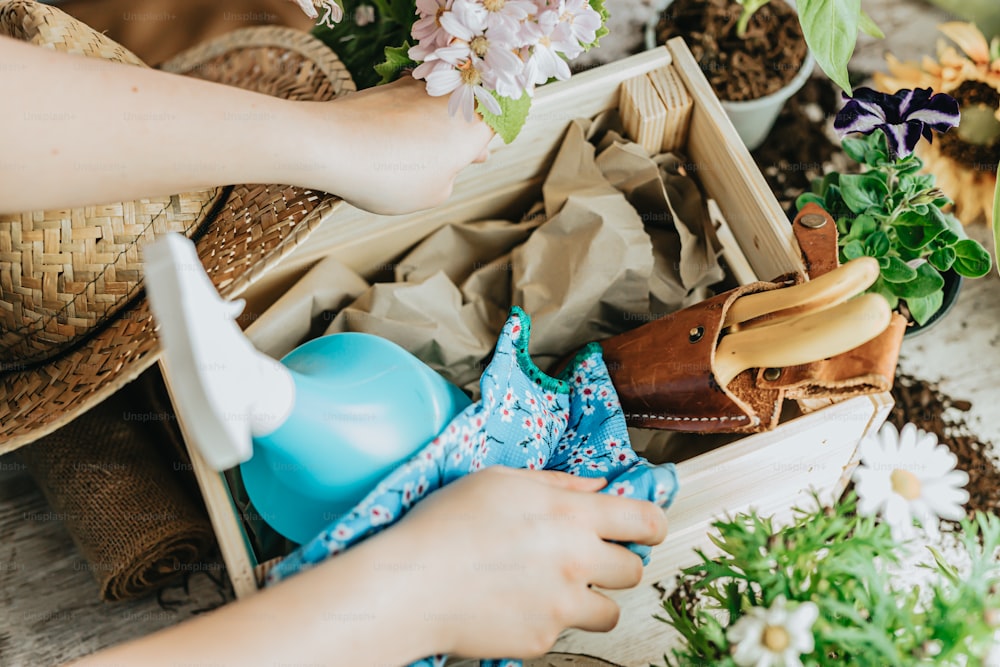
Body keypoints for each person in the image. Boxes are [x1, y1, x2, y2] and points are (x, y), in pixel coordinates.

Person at [1, 22, 671, 667]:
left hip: (324, 464)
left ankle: (269, 398)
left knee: (363, 421)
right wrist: (408, 598)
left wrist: (340, 139)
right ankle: (269, 398)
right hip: (363, 475)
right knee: (383, 429)